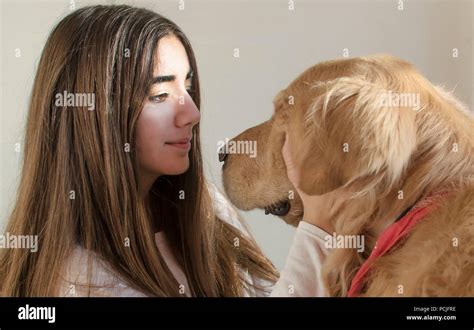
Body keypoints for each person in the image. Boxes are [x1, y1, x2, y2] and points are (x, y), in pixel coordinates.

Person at [0, 5, 344, 297]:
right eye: (159, 96)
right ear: (92, 118)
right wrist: (320, 226)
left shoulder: (204, 207)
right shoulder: (80, 282)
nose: (192, 113)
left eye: (189, 86)